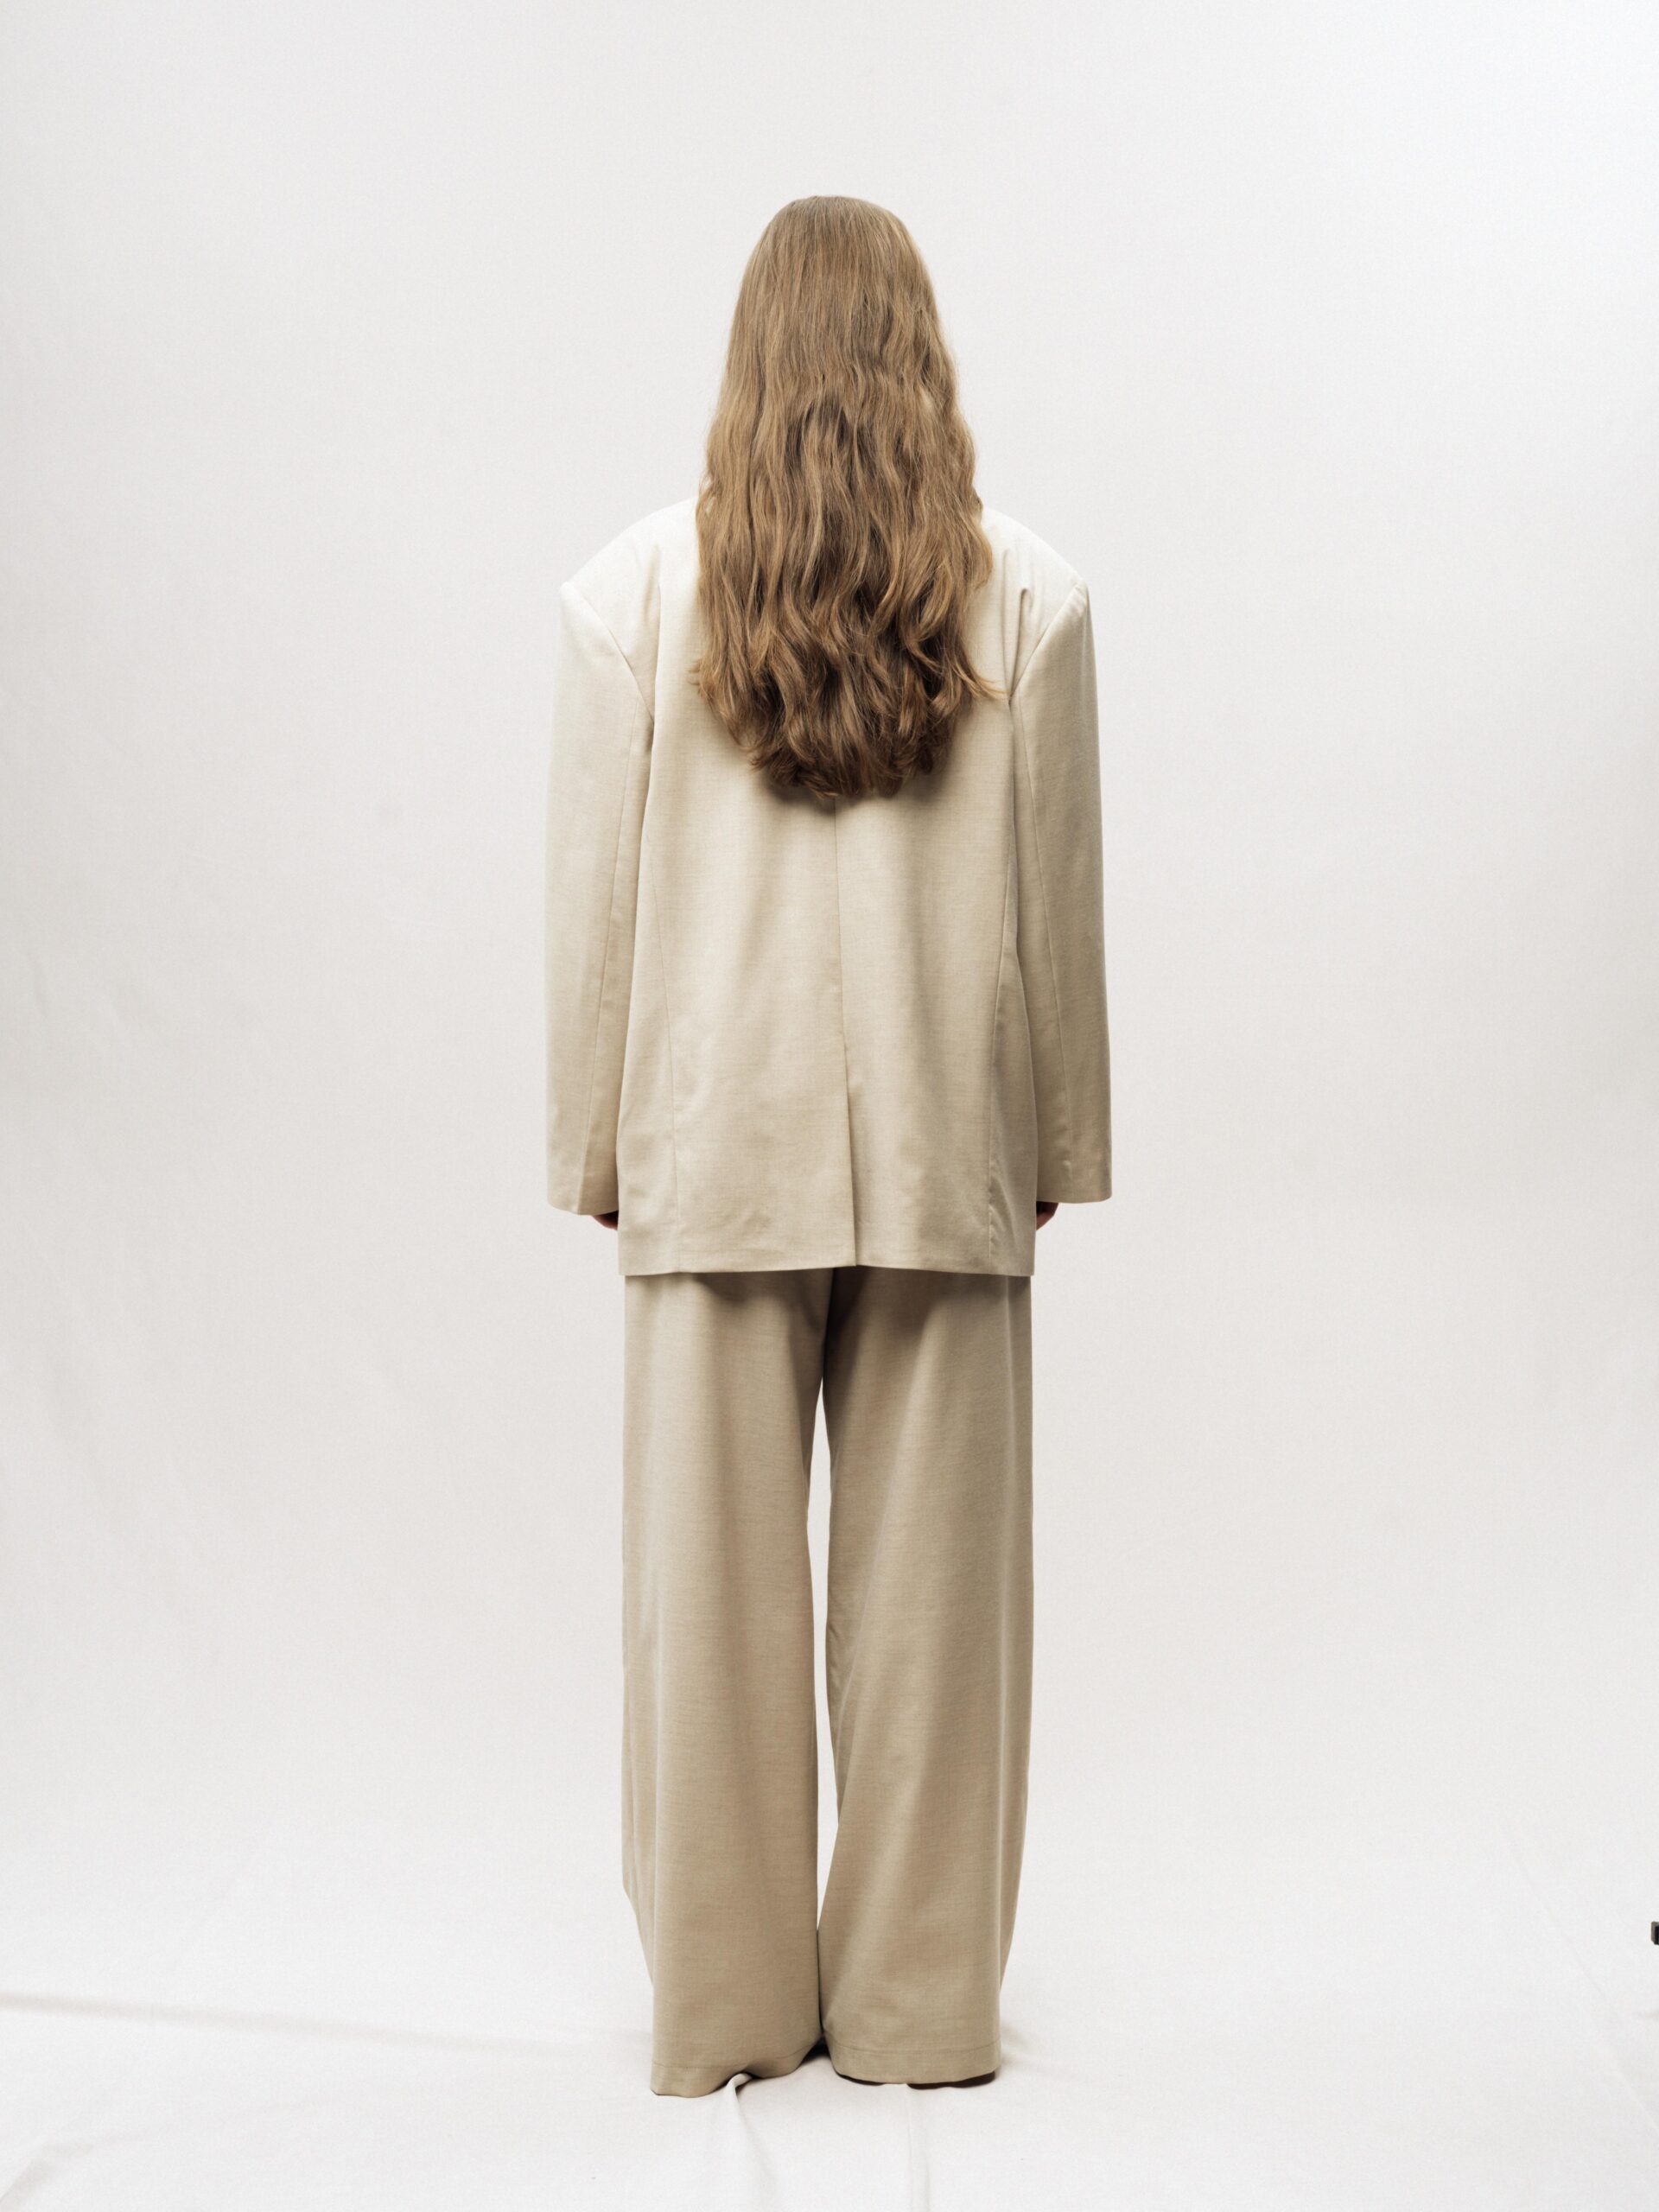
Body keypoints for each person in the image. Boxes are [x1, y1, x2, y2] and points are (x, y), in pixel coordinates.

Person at [543, 195, 1111, 2098]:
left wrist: (595, 1141)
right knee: (939, 1620)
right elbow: (1056, 898)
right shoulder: (1027, 596)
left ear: (751, 348)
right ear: (920, 351)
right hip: (950, 1140)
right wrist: (1055, 1137)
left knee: (702, 1611)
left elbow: (594, 905)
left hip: (711, 1136)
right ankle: (919, 2010)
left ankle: (721, 2008)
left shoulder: (631, 593)